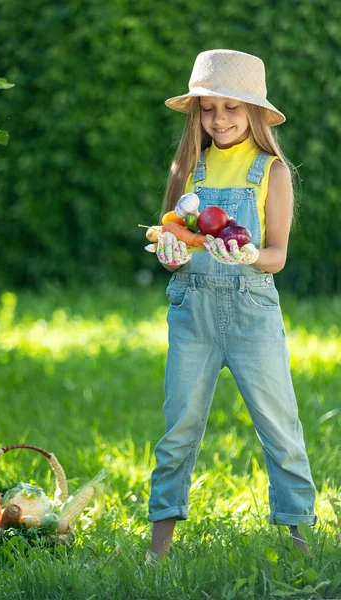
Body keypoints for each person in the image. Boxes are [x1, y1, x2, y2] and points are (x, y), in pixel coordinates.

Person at [147, 49, 317, 560]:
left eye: (232, 108)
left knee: (280, 428)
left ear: (256, 114)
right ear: (197, 113)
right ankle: (158, 552)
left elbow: (277, 256)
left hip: (252, 311)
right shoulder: (188, 168)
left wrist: (247, 253)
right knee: (177, 432)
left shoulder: (273, 171)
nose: (218, 119)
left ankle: (302, 544)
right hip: (191, 313)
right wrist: (170, 255)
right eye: (208, 108)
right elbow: (174, 244)